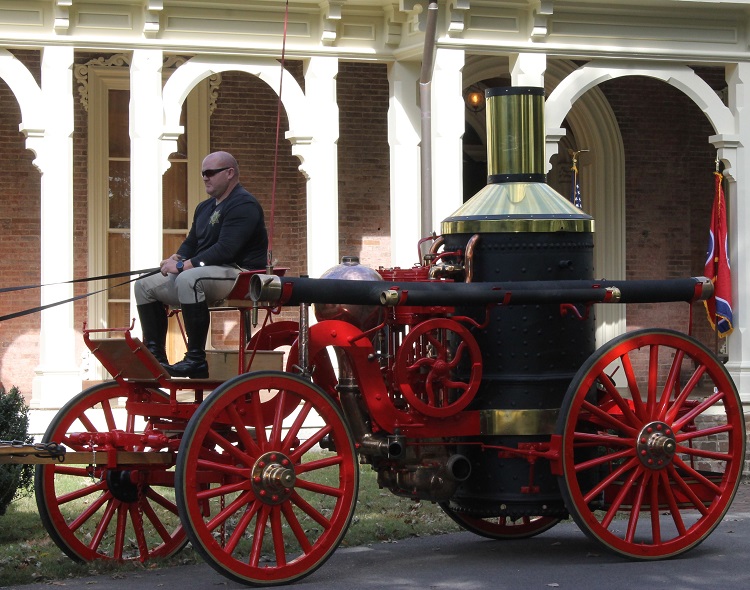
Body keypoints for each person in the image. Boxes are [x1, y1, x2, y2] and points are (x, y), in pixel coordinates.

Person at [135, 151, 268, 378]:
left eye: (210, 173)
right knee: (144, 284)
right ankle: (155, 358)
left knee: (189, 278)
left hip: (241, 273)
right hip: (210, 273)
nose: (205, 177)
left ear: (229, 173)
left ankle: (196, 359)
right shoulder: (204, 208)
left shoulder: (243, 204)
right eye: (203, 173)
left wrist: (183, 267)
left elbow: (226, 250)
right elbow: (192, 242)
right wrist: (177, 258)